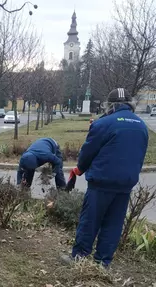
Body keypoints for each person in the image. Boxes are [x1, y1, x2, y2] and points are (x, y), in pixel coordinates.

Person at [62, 88, 148, 268]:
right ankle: (102, 263)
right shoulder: (141, 126)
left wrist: (80, 169)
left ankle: (79, 258)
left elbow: (88, 152)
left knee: (90, 221)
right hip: (126, 184)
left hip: (102, 181)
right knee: (113, 224)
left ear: (110, 105)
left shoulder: (103, 123)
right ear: (129, 104)